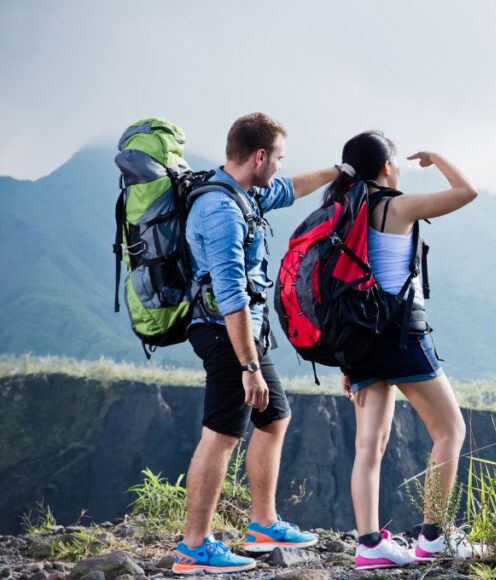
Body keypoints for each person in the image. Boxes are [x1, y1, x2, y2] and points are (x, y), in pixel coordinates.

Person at [172, 113, 343, 574]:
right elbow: (230, 293)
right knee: (223, 433)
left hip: (240, 332)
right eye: (279, 158)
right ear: (260, 156)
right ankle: (195, 547)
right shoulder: (222, 210)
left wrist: (339, 172)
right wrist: (248, 366)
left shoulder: (244, 192)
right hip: (223, 331)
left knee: (274, 416)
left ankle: (263, 524)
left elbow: (290, 189)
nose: (282, 167)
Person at [324, 131, 479, 570]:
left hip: (360, 341)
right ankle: (433, 536)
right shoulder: (397, 205)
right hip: (402, 338)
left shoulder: (342, 211)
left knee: (368, 445)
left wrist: (345, 356)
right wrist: (439, 157)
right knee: (450, 431)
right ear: (387, 166)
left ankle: (369, 545)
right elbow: (467, 192)